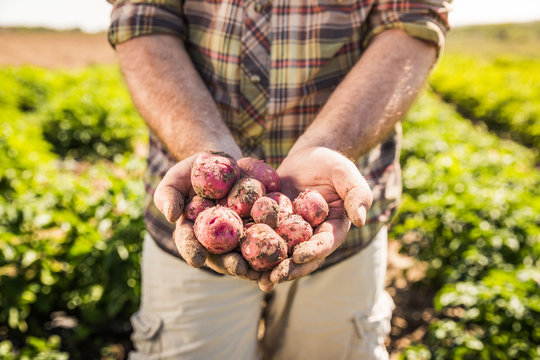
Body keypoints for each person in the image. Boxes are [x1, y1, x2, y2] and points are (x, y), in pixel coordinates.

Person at [107, 0, 450, 358]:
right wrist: (206, 150)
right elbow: (143, 18)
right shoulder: (213, 208)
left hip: (339, 211)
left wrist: (328, 144)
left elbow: (413, 19)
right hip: (185, 215)